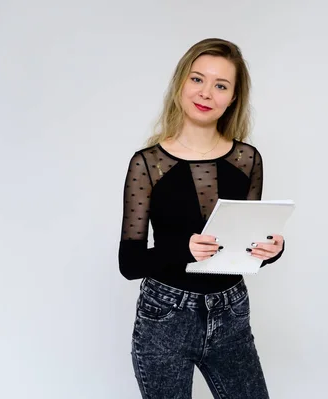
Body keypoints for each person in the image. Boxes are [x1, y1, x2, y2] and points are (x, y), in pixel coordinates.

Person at [118, 38, 286, 399]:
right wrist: (183, 249)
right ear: (181, 83)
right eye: (198, 79)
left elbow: (244, 249)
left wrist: (271, 250)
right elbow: (129, 262)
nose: (206, 93)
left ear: (233, 98)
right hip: (165, 317)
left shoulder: (247, 159)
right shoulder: (148, 164)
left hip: (231, 312)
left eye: (220, 85)